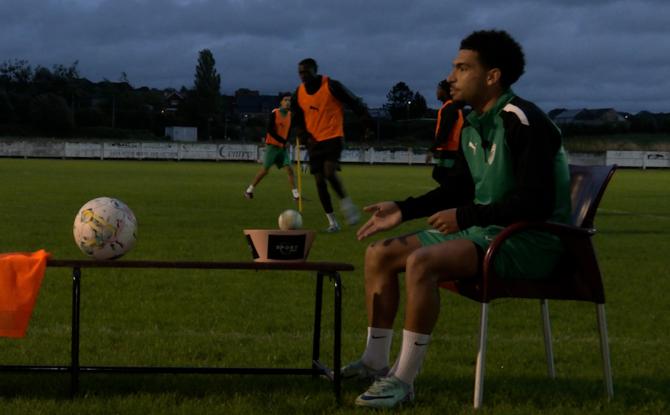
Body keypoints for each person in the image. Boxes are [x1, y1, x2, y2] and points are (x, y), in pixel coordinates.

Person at [343, 30, 572, 409]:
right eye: (454, 68)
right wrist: (402, 209)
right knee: (380, 254)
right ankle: (374, 362)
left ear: (492, 76)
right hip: (487, 231)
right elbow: (456, 190)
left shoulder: (524, 120)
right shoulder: (472, 124)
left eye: (463, 68)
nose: (451, 77)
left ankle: (404, 380)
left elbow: (536, 202)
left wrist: (465, 216)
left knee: (421, 261)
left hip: (529, 239)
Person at [291, 58, 374, 232]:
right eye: (300, 72)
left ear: (315, 70)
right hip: (313, 142)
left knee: (329, 172)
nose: (303, 75)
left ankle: (347, 206)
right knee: (319, 181)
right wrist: (304, 136)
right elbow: (297, 120)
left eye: (306, 71)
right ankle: (332, 222)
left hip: (333, 137)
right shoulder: (298, 94)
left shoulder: (331, 85)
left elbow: (354, 102)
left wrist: (366, 123)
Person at [244, 93, 300, 201]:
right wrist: (283, 141)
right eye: (285, 100)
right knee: (265, 171)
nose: (288, 102)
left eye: (289, 100)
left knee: (289, 169)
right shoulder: (275, 113)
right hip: (272, 146)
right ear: (281, 102)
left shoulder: (290, 115)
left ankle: (296, 195)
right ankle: (249, 191)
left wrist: (286, 142)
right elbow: (270, 130)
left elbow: (288, 132)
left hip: (282, 148)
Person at [426, 79, 466, 187]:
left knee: (441, 175)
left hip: (451, 150)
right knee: (441, 175)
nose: (436, 91)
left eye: (438, 89)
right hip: (451, 150)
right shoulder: (451, 107)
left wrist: (432, 149)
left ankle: (456, 198)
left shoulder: (450, 108)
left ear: (444, 91)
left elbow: (445, 130)